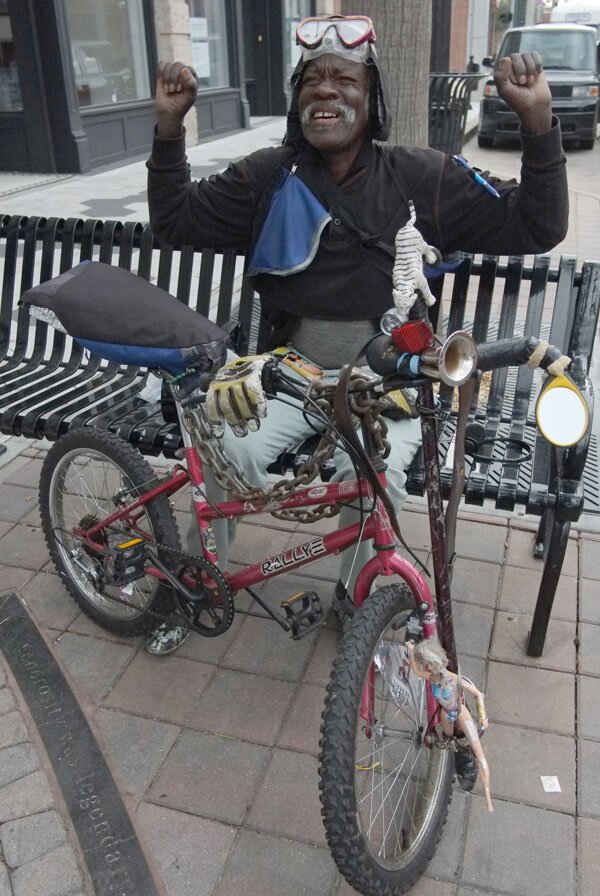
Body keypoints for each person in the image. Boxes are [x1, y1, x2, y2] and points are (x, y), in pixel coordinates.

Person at [144, 14, 568, 654]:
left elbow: (536, 226)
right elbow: (174, 221)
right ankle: (206, 577)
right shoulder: (267, 178)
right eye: (312, 81)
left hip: (387, 385)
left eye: (344, 79)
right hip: (287, 376)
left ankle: (355, 593)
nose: (326, 92)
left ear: (373, 100)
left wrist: (538, 125)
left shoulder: (422, 176)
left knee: (375, 472)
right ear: (296, 101)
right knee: (229, 453)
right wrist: (170, 129)